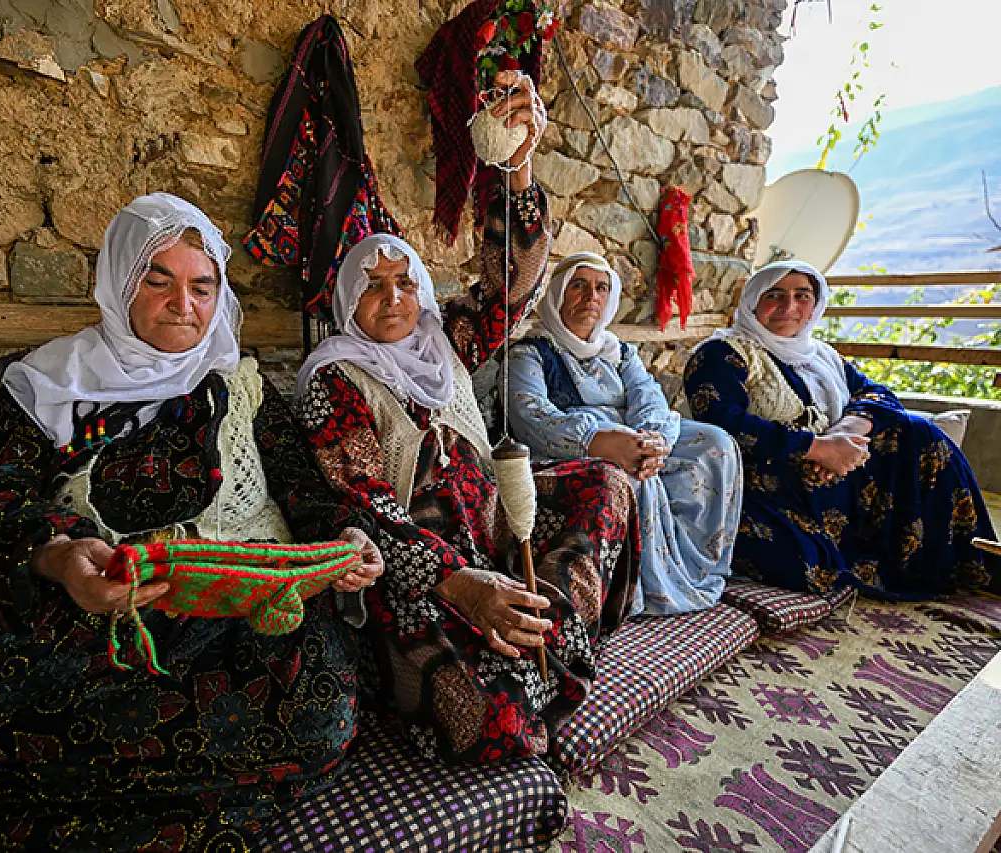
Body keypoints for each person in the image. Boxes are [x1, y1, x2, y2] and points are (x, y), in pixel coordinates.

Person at [0, 194, 384, 853]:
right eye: (158, 279)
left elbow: (311, 492)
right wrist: (60, 556)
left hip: (246, 617)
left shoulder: (240, 386)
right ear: (120, 282)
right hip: (103, 610)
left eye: (202, 285)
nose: (183, 303)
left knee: (319, 724)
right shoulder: (51, 384)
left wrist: (349, 540)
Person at [293, 72, 639, 766]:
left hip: (497, 534)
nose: (392, 299)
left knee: (606, 482)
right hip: (424, 571)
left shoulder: (446, 338)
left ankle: (545, 627)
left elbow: (510, 289)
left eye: (404, 283)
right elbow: (366, 504)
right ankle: (530, 650)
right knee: (498, 726)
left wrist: (518, 172)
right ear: (345, 303)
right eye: (371, 286)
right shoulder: (333, 378)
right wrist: (463, 583)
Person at [684, 259, 998, 598]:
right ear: (752, 301)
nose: (789, 307)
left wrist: (845, 435)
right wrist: (816, 449)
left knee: (919, 432)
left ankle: (970, 559)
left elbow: (878, 395)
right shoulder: (723, 353)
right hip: (767, 484)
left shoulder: (821, 355)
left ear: (816, 303)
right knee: (806, 564)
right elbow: (722, 420)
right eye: (774, 294)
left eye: (802, 295)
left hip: (840, 471)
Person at [503, 252, 741, 616]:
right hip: (570, 447)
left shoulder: (618, 352)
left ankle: (694, 568)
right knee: (631, 476)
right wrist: (600, 441)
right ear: (557, 295)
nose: (590, 297)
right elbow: (530, 416)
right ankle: (637, 590)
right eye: (578, 286)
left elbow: (648, 396)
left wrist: (653, 440)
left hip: (633, 440)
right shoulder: (531, 353)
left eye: (601, 288)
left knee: (716, 446)